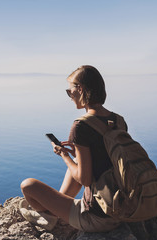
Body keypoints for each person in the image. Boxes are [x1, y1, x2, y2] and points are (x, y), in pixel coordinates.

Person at [19, 65, 126, 232]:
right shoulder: (119, 121)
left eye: (70, 91)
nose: (70, 96)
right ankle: (56, 210)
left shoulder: (80, 126)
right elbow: (107, 160)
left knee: (27, 185)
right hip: (122, 208)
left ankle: (50, 218)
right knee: (78, 160)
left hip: (97, 217)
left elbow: (84, 179)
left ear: (81, 89)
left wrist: (64, 155)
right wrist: (77, 153)